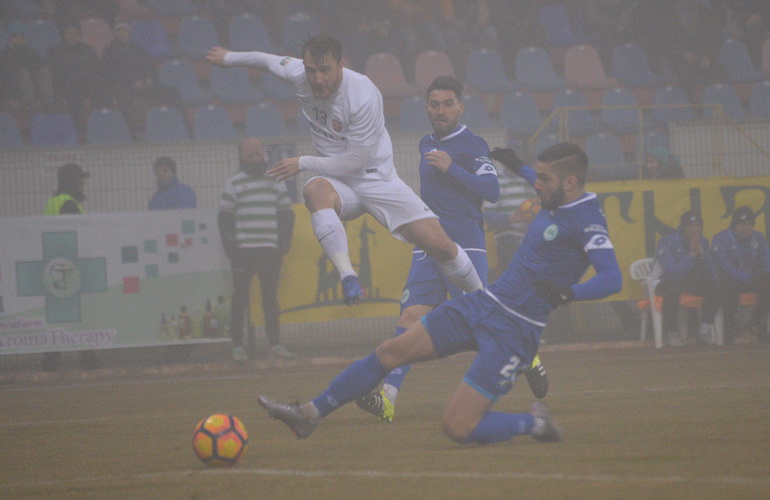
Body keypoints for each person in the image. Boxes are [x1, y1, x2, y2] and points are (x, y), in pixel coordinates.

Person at [257, 142, 623, 445]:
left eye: (544, 179)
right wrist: (517, 165)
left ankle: (534, 424)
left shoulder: (588, 219)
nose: (536, 185)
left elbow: (612, 278)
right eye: (537, 177)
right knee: (391, 352)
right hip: (485, 304)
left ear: (571, 182)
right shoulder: (556, 197)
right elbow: (539, 180)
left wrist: (566, 294)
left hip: (517, 332)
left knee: (457, 427)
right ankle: (309, 415)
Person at [206, 35, 484, 308]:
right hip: (338, 182)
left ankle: (484, 300)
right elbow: (267, 61)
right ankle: (348, 276)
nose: (317, 79)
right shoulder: (299, 74)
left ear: (341, 65)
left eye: (325, 70)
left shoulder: (362, 95)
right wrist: (229, 58)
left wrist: (302, 162)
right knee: (314, 190)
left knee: (442, 247)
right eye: (311, 70)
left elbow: (354, 162)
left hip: (377, 180)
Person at [353, 76, 549, 423]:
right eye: (434, 104)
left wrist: (451, 167)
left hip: (464, 243)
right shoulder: (425, 142)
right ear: (426, 108)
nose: (440, 111)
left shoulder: (473, 144)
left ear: (460, 106)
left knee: (482, 320)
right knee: (410, 319)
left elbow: (491, 191)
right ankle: (388, 398)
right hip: (426, 244)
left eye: (447, 104)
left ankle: (527, 355)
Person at [219, 137, 296, 361]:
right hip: (243, 252)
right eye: (249, 153)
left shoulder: (276, 181)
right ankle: (237, 346)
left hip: (270, 251)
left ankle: (275, 344)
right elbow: (224, 219)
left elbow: (286, 215)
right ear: (242, 157)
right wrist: (231, 250)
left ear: (264, 154)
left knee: (270, 299)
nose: (255, 156)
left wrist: (283, 245)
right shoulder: (233, 184)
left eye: (258, 152)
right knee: (240, 299)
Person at [42, 163, 99, 371]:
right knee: (77, 313)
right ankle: (87, 358)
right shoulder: (68, 203)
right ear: (73, 181)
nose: (83, 183)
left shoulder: (53, 202)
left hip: (55, 265)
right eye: (80, 179)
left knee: (60, 314)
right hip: (69, 267)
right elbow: (76, 236)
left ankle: (51, 358)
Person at [101, 20, 184, 141]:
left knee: (172, 92)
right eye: (119, 31)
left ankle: (182, 128)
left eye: (125, 30)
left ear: (129, 33)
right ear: (115, 34)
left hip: (145, 87)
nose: (122, 34)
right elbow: (111, 75)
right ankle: (133, 136)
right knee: (124, 99)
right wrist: (132, 83)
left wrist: (149, 80)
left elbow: (151, 68)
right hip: (125, 88)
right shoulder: (109, 52)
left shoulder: (139, 50)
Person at [653, 210, 720, 346]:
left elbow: (712, 274)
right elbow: (672, 274)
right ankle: (672, 333)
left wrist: (703, 255)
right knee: (672, 289)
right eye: (690, 226)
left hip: (688, 280)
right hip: (663, 281)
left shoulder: (703, 241)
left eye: (697, 226)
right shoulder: (667, 242)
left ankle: (703, 331)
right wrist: (692, 255)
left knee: (716, 286)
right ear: (683, 228)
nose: (694, 230)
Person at [711, 206, 770, 342]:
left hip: (751, 279)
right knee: (730, 285)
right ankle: (729, 328)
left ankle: (754, 321)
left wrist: (761, 274)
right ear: (734, 225)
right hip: (730, 280)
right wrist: (747, 277)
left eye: (749, 224)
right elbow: (724, 267)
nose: (746, 228)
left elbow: (766, 261)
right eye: (742, 224)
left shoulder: (758, 238)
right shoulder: (721, 239)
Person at [47, 23, 109, 131]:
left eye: (75, 33)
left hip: (86, 84)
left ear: (80, 36)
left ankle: (103, 126)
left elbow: (98, 69)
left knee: (103, 90)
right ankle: (79, 130)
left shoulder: (88, 50)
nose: (72, 36)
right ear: (64, 35)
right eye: (69, 33)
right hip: (66, 86)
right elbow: (54, 73)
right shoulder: (56, 51)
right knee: (75, 92)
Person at [483, 166, 537, 279]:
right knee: (511, 272)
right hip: (507, 236)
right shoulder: (496, 180)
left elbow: (544, 204)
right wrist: (507, 219)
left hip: (531, 235)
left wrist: (535, 217)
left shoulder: (530, 178)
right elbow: (488, 214)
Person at [0, 22, 54, 113]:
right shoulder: (5, 55)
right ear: (10, 39)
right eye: (15, 37)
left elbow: (38, 66)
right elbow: (7, 75)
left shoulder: (31, 52)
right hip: (13, 88)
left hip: (32, 85)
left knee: (44, 70)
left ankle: (48, 103)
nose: (18, 40)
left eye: (21, 37)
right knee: (23, 73)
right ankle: (31, 105)